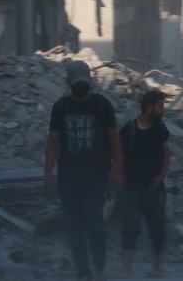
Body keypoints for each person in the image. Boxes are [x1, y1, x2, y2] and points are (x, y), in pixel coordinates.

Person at [43, 61, 124, 281]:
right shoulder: (61, 107)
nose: (80, 85)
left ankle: (100, 268)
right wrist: (48, 173)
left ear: (90, 82)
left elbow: (114, 139)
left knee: (94, 223)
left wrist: (117, 170)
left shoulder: (102, 105)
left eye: (83, 81)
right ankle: (82, 272)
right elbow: (53, 141)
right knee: (75, 227)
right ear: (68, 82)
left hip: (97, 177)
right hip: (68, 178)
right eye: (76, 81)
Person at [119, 90, 171, 278]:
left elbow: (166, 154)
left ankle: (157, 269)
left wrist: (161, 176)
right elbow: (119, 156)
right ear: (149, 108)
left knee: (157, 229)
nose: (163, 110)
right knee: (130, 229)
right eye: (160, 106)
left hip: (155, 189)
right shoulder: (129, 130)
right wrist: (118, 178)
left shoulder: (160, 129)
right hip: (132, 188)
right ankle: (127, 272)